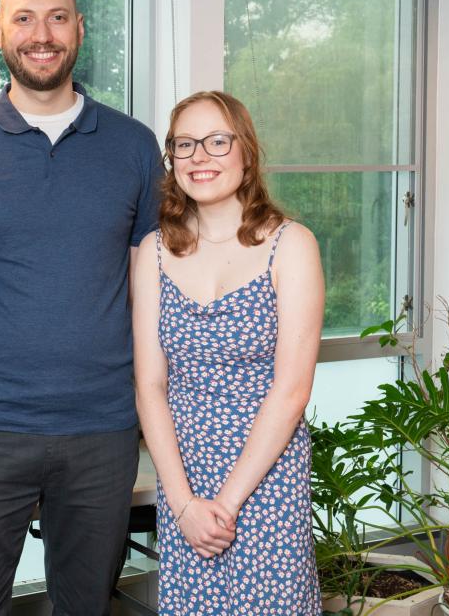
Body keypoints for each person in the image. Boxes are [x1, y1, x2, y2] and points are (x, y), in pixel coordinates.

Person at [0, 0, 164, 615]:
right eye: (23, 19)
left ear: (79, 29)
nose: (42, 34)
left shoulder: (136, 148)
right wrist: (4, 358)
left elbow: (149, 289)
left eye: (57, 17)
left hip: (102, 428)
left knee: (87, 604)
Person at [132, 90, 324, 614]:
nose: (200, 157)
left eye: (217, 141)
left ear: (246, 151)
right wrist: (182, 503)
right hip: (184, 477)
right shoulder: (153, 251)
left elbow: (292, 391)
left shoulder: (292, 245)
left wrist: (226, 504)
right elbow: (149, 385)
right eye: (185, 145)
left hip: (267, 475)